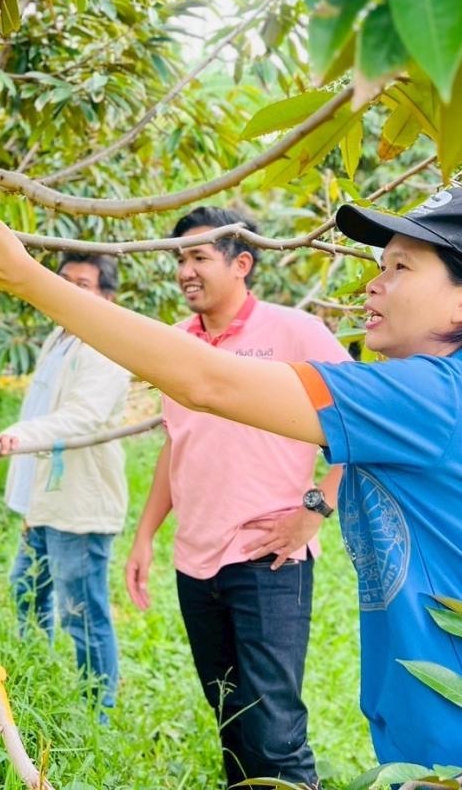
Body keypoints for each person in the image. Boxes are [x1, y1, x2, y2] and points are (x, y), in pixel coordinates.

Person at [0, 187, 462, 786]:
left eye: (401, 268)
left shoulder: (439, 396)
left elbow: (206, 384)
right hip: (459, 733)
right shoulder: (445, 394)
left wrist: (24, 276)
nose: (373, 284)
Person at [124, 206, 348, 787]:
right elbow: (179, 444)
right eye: (180, 259)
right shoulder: (176, 344)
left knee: (274, 731)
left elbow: (364, 424)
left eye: (198, 257)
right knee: (230, 718)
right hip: (195, 561)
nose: (184, 271)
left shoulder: (294, 332)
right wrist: (146, 536)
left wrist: (315, 512)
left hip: (268, 560)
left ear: (241, 263)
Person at [0, 252, 130, 721]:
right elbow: (41, 409)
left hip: (79, 506)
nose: (66, 290)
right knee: (27, 592)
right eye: (62, 281)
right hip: (44, 501)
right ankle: (36, 678)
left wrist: (19, 437)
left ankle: (96, 715)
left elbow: (83, 416)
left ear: (107, 296)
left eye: (81, 285)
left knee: (82, 612)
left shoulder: (107, 343)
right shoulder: (61, 336)